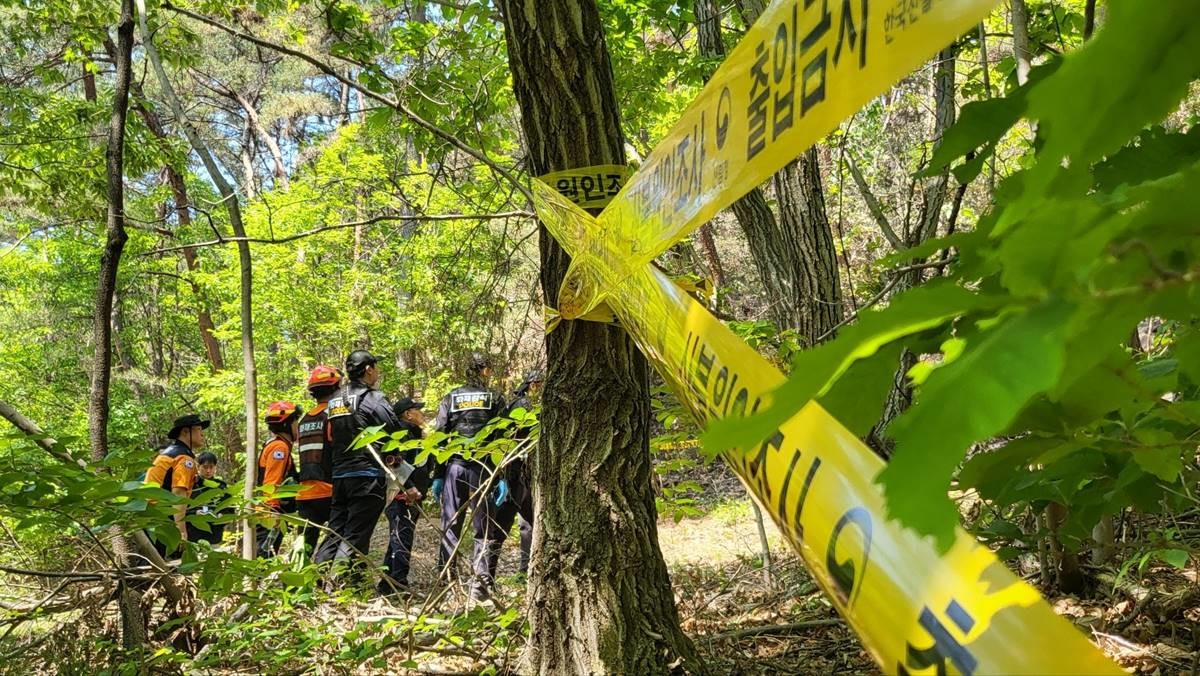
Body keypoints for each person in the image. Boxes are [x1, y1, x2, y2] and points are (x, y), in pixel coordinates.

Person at [314, 350, 404, 580]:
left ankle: (316, 580)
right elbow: (394, 429)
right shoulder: (373, 398)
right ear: (368, 369)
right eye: (376, 367)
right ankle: (343, 584)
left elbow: (328, 437)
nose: (378, 372)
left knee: (336, 532)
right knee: (356, 535)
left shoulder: (334, 401)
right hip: (366, 477)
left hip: (340, 476)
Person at [431, 351, 506, 602]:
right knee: (483, 530)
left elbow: (440, 435)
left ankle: (446, 583)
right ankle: (480, 588)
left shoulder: (451, 397)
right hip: (483, 469)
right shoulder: (494, 397)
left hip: (454, 467)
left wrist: (438, 474)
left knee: (450, 527)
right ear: (484, 370)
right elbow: (503, 438)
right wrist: (502, 475)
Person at [377, 397, 432, 596]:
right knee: (402, 538)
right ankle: (399, 584)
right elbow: (395, 463)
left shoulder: (416, 435)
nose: (422, 413)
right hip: (401, 494)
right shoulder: (400, 434)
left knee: (398, 537)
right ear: (408, 414)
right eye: (418, 409)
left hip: (414, 495)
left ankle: (387, 584)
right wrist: (408, 487)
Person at [490, 368, 542, 577]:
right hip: (517, 474)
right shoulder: (525, 407)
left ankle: (498, 574)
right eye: (539, 385)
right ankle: (519, 571)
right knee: (518, 522)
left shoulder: (511, 404)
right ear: (532, 385)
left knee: (523, 523)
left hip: (510, 472)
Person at [144, 413, 210, 553]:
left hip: (150, 513)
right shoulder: (183, 458)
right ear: (186, 432)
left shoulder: (171, 453)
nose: (202, 434)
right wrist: (181, 530)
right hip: (161, 516)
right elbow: (179, 493)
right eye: (198, 430)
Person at [295, 365, 341, 558]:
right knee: (338, 538)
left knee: (303, 548)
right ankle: (322, 576)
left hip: (305, 494)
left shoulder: (304, 419)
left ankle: (295, 585)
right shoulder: (333, 415)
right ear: (336, 387)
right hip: (329, 491)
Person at [256, 401, 301, 558]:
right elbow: (271, 481)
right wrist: (273, 510)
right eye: (296, 421)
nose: (298, 426)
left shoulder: (278, 445)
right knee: (264, 554)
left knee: (265, 553)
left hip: (269, 511)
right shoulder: (279, 448)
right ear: (287, 424)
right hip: (270, 513)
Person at [187, 451, 233, 545]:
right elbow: (180, 509)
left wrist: (223, 516)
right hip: (193, 535)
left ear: (215, 467)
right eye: (205, 467)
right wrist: (195, 513)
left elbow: (230, 510)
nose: (208, 471)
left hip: (214, 535)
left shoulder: (221, 487)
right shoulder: (191, 486)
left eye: (211, 467)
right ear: (198, 466)